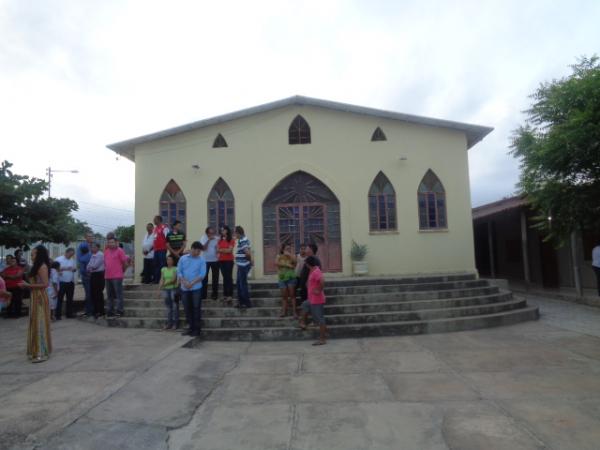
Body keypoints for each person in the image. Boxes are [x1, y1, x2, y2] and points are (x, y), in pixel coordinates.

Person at [19, 245, 52, 363]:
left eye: (33, 254)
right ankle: (35, 350)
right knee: (34, 323)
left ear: (39, 255)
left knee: (39, 323)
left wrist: (27, 285)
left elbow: (45, 284)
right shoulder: (37, 266)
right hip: (35, 296)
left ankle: (41, 352)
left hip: (40, 298)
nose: (31, 256)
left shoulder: (42, 266)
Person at [177, 241, 206, 336]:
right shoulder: (182, 258)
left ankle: (197, 329)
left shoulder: (201, 260)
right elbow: (179, 271)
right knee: (187, 308)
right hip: (184, 288)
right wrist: (184, 282)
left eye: (199, 251)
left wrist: (192, 283)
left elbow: (202, 274)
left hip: (196, 288)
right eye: (197, 251)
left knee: (196, 308)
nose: (198, 253)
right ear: (192, 248)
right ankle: (190, 327)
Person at [299, 256, 327, 346]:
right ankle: (303, 322)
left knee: (320, 319)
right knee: (304, 305)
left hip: (317, 300)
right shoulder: (313, 270)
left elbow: (322, 281)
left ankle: (322, 339)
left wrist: (318, 290)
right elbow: (312, 282)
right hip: (311, 299)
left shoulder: (316, 271)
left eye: (305, 263)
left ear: (307, 264)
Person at [104, 237, 129, 318]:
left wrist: (122, 271)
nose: (111, 244)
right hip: (108, 276)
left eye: (112, 242)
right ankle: (110, 311)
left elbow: (125, 263)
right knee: (109, 295)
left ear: (116, 242)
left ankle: (120, 311)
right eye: (109, 242)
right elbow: (105, 263)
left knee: (119, 295)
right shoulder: (106, 252)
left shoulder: (120, 251)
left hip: (117, 276)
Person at [276, 244, 297, 318]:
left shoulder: (292, 255)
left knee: (292, 295)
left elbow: (295, 263)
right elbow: (277, 263)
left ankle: (294, 312)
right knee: (284, 296)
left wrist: (289, 255)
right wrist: (288, 265)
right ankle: (283, 312)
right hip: (282, 277)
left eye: (289, 248)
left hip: (291, 277)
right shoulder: (279, 256)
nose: (288, 250)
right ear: (283, 249)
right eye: (286, 249)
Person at [55, 248, 77, 320]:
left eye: (72, 254)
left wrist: (74, 269)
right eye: (70, 254)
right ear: (66, 252)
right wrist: (65, 268)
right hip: (62, 282)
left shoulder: (72, 260)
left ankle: (69, 314)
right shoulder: (59, 259)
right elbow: (54, 269)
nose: (71, 256)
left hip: (70, 282)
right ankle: (58, 315)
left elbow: (74, 268)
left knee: (70, 299)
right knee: (60, 299)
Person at [159, 255, 179, 330]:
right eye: (168, 260)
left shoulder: (175, 269)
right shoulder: (163, 269)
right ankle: (169, 323)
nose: (169, 261)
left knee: (174, 307)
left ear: (173, 261)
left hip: (173, 289)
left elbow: (174, 279)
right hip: (165, 290)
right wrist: (159, 289)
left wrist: (165, 284)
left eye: (170, 260)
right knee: (168, 308)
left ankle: (175, 323)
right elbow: (162, 279)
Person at [234, 226, 252, 309]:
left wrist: (249, 261)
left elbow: (247, 253)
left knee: (242, 285)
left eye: (235, 233)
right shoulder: (242, 240)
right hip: (241, 265)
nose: (234, 234)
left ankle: (246, 303)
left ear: (238, 233)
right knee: (239, 284)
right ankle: (241, 302)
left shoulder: (243, 240)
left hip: (243, 266)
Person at [77, 232, 95, 317]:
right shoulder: (82, 246)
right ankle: (88, 311)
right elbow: (80, 259)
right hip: (86, 274)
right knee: (88, 293)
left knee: (93, 293)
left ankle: (92, 309)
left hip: (94, 274)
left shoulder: (94, 246)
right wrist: (84, 272)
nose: (91, 238)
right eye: (89, 236)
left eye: (92, 236)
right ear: (85, 237)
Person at [217, 225, 235, 304]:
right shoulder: (219, 240)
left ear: (227, 231)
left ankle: (230, 295)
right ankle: (225, 294)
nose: (222, 232)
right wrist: (224, 250)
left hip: (229, 260)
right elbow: (217, 250)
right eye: (221, 230)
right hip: (221, 261)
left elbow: (229, 251)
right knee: (225, 277)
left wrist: (221, 250)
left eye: (223, 230)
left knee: (228, 277)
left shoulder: (231, 239)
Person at [200, 227, 219, 300]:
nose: (212, 234)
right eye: (210, 233)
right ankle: (203, 295)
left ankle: (214, 295)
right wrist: (208, 240)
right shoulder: (203, 238)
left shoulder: (216, 238)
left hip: (215, 261)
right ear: (207, 233)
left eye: (213, 233)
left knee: (215, 278)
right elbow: (203, 248)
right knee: (204, 279)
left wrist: (218, 251)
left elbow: (217, 248)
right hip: (205, 261)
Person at [87, 242, 105, 318]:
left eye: (93, 247)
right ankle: (95, 310)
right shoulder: (93, 255)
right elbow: (87, 266)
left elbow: (95, 266)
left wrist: (90, 267)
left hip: (99, 275)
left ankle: (100, 311)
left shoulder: (100, 255)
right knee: (93, 293)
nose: (92, 248)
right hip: (93, 275)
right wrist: (90, 267)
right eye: (91, 247)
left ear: (97, 247)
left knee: (98, 293)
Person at [152, 215, 170, 284]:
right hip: (156, 250)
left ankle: (162, 280)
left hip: (162, 249)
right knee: (156, 265)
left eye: (155, 219)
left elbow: (167, 238)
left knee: (162, 265)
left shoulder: (164, 228)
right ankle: (156, 280)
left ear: (159, 220)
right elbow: (154, 239)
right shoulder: (155, 229)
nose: (154, 221)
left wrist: (168, 248)